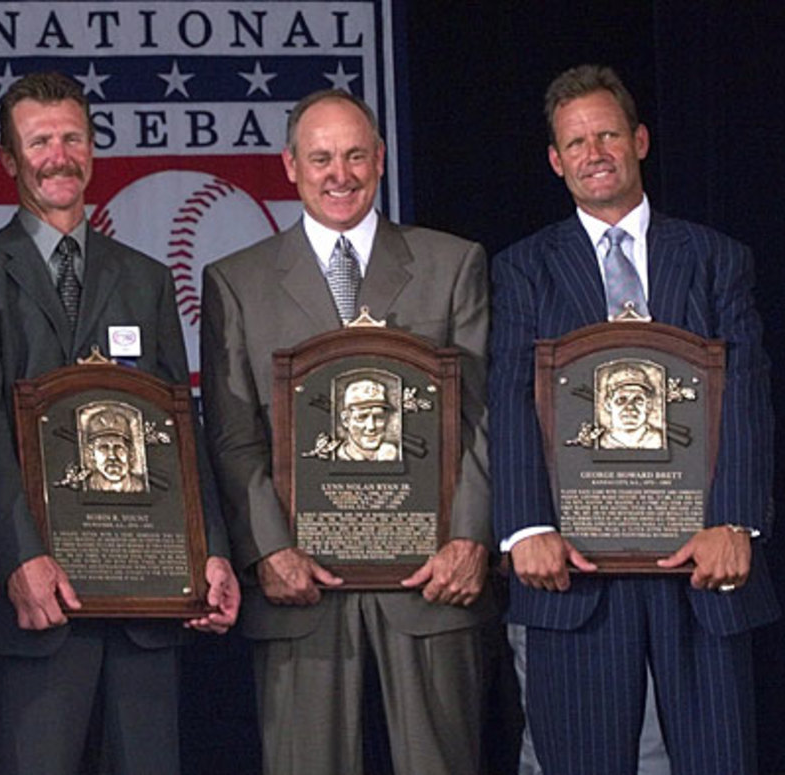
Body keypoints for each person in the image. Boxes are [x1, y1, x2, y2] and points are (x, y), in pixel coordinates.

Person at [0, 71, 239, 775]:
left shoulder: (147, 277)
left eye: (72, 137)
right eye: (39, 141)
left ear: (93, 149)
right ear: (8, 160)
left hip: (144, 596)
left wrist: (208, 550)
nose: (58, 155)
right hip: (35, 606)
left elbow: (176, 427)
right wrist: (18, 558)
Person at [491, 64, 777, 774]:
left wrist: (736, 521)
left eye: (608, 134)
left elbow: (745, 390)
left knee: (719, 759)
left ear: (640, 141)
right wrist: (526, 528)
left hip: (702, 564)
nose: (595, 152)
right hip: (574, 571)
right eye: (577, 141)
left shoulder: (715, 259)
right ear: (556, 161)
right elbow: (508, 395)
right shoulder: (525, 269)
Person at [201, 88, 492, 775]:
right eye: (323, 157)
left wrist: (469, 536)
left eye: (356, 155)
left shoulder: (453, 264)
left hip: (431, 578)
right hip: (301, 585)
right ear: (291, 166)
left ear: (381, 159)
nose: (341, 173)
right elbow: (232, 433)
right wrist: (269, 548)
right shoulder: (236, 281)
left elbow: (481, 415)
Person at [597, 363, 664, 450]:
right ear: (608, 404)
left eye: (637, 400)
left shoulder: (657, 440)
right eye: (621, 400)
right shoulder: (602, 442)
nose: (630, 407)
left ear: (648, 405)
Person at [336, 377, 400, 461]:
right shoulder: (339, 456)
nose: (371, 426)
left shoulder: (393, 455)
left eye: (379, 417)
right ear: (346, 420)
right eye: (362, 417)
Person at [82, 408, 144, 493]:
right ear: (91, 454)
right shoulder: (88, 485)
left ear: (131, 453)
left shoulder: (138, 487)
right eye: (104, 448)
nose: (112, 455)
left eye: (118, 447)